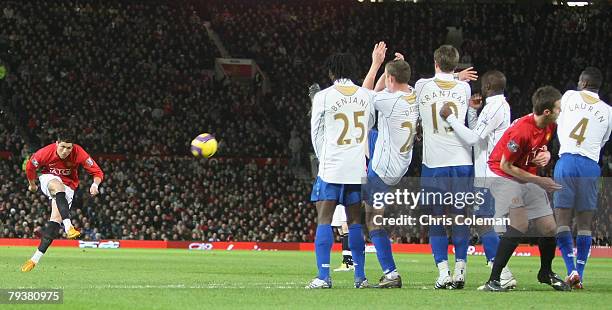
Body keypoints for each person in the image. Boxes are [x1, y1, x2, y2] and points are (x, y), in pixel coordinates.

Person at [481, 86, 570, 292]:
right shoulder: (521, 130)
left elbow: (541, 149)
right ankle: (494, 280)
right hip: (502, 175)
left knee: (549, 227)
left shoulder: (549, 126)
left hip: (525, 175)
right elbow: (505, 165)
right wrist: (540, 181)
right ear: (547, 112)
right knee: (519, 223)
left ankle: (545, 272)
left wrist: (546, 155)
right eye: (558, 108)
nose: (560, 112)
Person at [439, 70, 517, 289]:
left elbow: (473, 138)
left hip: (489, 175)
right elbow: (477, 133)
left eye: (483, 86)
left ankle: (502, 272)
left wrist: (450, 117)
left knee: (483, 221)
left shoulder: (495, 108)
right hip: (489, 172)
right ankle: (500, 271)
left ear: (488, 87)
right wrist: (472, 112)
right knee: (484, 222)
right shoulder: (496, 106)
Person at [306, 52, 375, 289]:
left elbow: (316, 132)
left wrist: (323, 157)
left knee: (324, 220)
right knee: (355, 222)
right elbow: (370, 124)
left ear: (331, 72)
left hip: (332, 167)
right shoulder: (365, 96)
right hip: (356, 167)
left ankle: (323, 277)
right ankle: (360, 277)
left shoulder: (323, 97)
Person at [414, 45, 473, 289]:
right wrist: (457, 76)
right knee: (460, 217)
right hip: (462, 162)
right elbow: (451, 81)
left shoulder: (421, 86)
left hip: (435, 164)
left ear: (435, 63)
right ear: (456, 64)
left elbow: (432, 83)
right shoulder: (465, 88)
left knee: (435, 218)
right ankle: (460, 270)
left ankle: (443, 272)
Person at [554, 67, 611, 289]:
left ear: (583, 83)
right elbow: (603, 139)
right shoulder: (608, 111)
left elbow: (560, 119)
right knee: (585, 224)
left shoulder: (569, 96)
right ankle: (581, 273)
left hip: (567, 161)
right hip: (590, 165)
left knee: (562, 221)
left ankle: (571, 270)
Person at [21, 132, 104, 272]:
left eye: (69, 148)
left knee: (54, 222)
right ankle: (68, 226)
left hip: (69, 185)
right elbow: (30, 167)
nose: (65, 151)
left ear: (73, 147)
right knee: (58, 186)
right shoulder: (45, 152)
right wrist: (33, 184)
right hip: (49, 178)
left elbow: (97, 172)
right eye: (63, 147)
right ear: (57, 143)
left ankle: (34, 259)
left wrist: (95, 185)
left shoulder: (79, 152)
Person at [330, 204, 354, 272]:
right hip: (336, 204)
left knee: (345, 228)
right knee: (340, 231)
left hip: (344, 202)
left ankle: (348, 262)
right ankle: (345, 261)